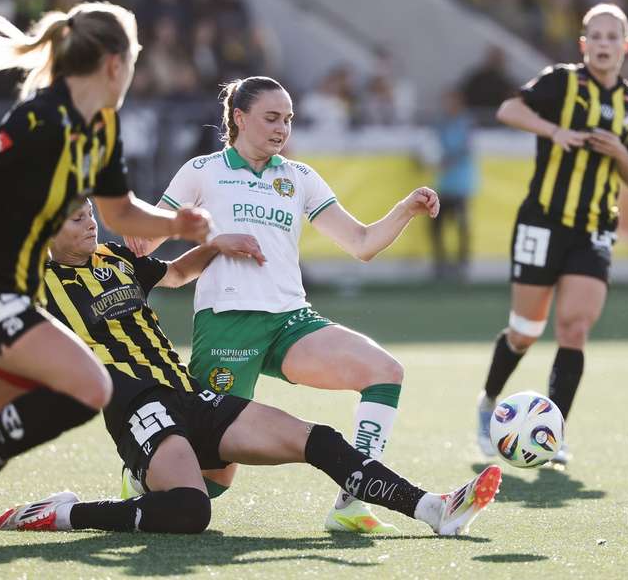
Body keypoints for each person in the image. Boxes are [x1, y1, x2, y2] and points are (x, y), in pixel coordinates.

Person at [0, 201, 503, 544]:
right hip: (134, 407)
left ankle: (432, 509)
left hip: (187, 392)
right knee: (189, 515)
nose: (90, 225)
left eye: (91, 215)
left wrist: (215, 247)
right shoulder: (31, 292)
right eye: (76, 220)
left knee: (318, 439)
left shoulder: (113, 258)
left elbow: (170, 273)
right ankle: (62, 514)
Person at [0, 3, 213, 580]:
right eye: (134, 61)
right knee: (88, 388)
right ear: (114, 64)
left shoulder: (101, 128)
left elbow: (119, 210)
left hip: (10, 295)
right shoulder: (43, 119)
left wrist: (173, 227)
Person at [126, 75, 441, 534]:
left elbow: (362, 243)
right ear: (239, 118)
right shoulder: (203, 170)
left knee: (385, 371)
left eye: (289, 120)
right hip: (226, 326)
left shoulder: (299, 177)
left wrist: (405, 210)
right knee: (214, 475)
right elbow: (143, 242)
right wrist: (177, 224)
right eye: (271, 118)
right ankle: (139, 480)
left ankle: (351, 502)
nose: (282, 129)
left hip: (292, 320)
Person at [475, 4, 628, 465]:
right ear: (584, 44)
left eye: (614, 36)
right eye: (597, 35)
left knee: (573, 328)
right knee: (525, 331)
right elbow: (508, 109)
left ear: (625, 45)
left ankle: (554, 435)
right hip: (543, 221)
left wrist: (618, 152)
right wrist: (554, 131)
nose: (605, 43)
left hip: (594, 228)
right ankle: (489, 402)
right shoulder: (560, 82)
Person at [431, 88, 479, 280]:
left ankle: (462, 265)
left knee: (461, 225)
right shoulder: (441, 124)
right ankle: (441, 263)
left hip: (461, 184)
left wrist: (446, 161)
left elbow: (465, 149)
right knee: (437, 226)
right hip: (443, 184)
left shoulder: (466, 123)